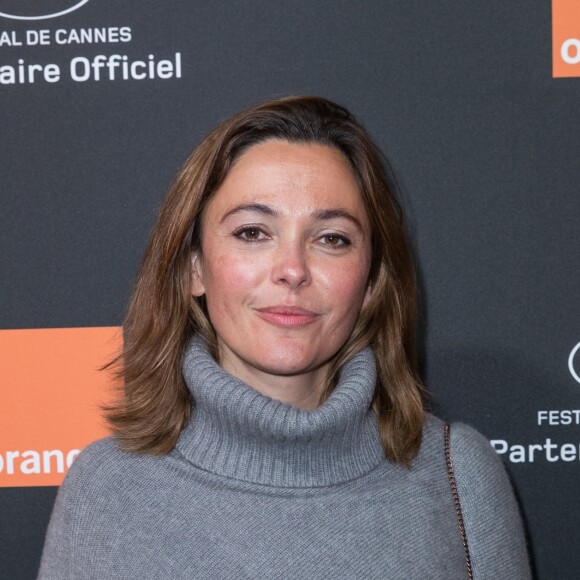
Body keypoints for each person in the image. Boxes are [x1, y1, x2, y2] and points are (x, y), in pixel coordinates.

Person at [38, 96, 531, 579]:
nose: (293, 270)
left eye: (332, 238)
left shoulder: (460, 477)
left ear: (371, 281)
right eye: (253, 232)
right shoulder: (110, 492)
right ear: (194, 268)